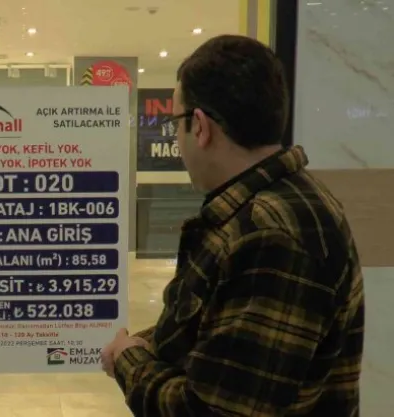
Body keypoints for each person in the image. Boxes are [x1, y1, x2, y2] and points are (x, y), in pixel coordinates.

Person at [101, 34, 364, 416]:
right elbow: (217, 333)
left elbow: (210, 409)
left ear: (200, 127)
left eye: (176, 123)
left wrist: (128, 361)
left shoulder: (270, 235)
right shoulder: (274, 207)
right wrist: (149, 344)